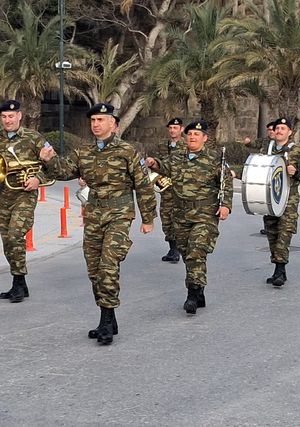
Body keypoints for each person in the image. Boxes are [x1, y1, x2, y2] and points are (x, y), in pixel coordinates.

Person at [40, 103, 156, 345]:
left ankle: (105, 321)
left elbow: (143, 186)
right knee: (94, 270)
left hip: (119, 215)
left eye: (101, 120)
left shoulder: (127, 151)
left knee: (108, 266)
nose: (96, 124)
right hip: (93, 215)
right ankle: (109, 316)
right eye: (93, 120)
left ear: (113, 124)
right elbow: (64, 171)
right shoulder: (83, 151)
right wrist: (49, 161)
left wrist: (148, 218)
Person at [146, 120, 232, 314]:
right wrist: (153, 163)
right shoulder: (177, 157)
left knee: (196, 250)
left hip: (205, 214)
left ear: (205, 138)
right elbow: (163, 167)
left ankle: (192, 295)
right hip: (181, 214)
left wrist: (226, 205)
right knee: (186, 252)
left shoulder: (214, 159)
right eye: (190, 134)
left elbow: (225, 182)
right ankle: (199, 289)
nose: (192, 137)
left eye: (197, 134)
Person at [0, 100, 51, 303]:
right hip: (3, 195)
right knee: (7, 241)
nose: (7, 120)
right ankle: (19, 283)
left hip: (24, 195)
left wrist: (38, 178)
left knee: (15, 235)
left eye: (11, 116)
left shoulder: (34, 138)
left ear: (19, 116)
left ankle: (19, 282)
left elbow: (53, 164)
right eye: (4, 117)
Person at [262, 118, 300, 286]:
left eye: (283, 128)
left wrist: (296, 172)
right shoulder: (266, 150)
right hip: (269, 197)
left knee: (284, 232)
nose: (279, 131)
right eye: (277, 128)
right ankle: (277, 267)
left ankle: (280, 270)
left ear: (290, 132)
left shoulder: (296, 150)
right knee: (272, 233)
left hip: (289, 198)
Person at [146, 118, 185, 263]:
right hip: (166, 188)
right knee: (166, 218)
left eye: (175, 128)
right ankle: (172, 248)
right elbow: (157, 163)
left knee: (179, 218)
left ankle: (179, 248)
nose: (172, 130)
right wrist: (152, 163)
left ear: (181, 129)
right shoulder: (162, 146)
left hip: (182, 189)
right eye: (170, 128)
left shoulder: (187, 146)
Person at [242, 121, 276, 234]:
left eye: (273, 130)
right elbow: (254, 144)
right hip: (265, 173)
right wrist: (248, 143)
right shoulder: (264, 141)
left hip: (277, 173)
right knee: (266, 200)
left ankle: (278, 227)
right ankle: (268, 227)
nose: (271, 132)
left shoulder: (281, 143)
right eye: (269, 130)